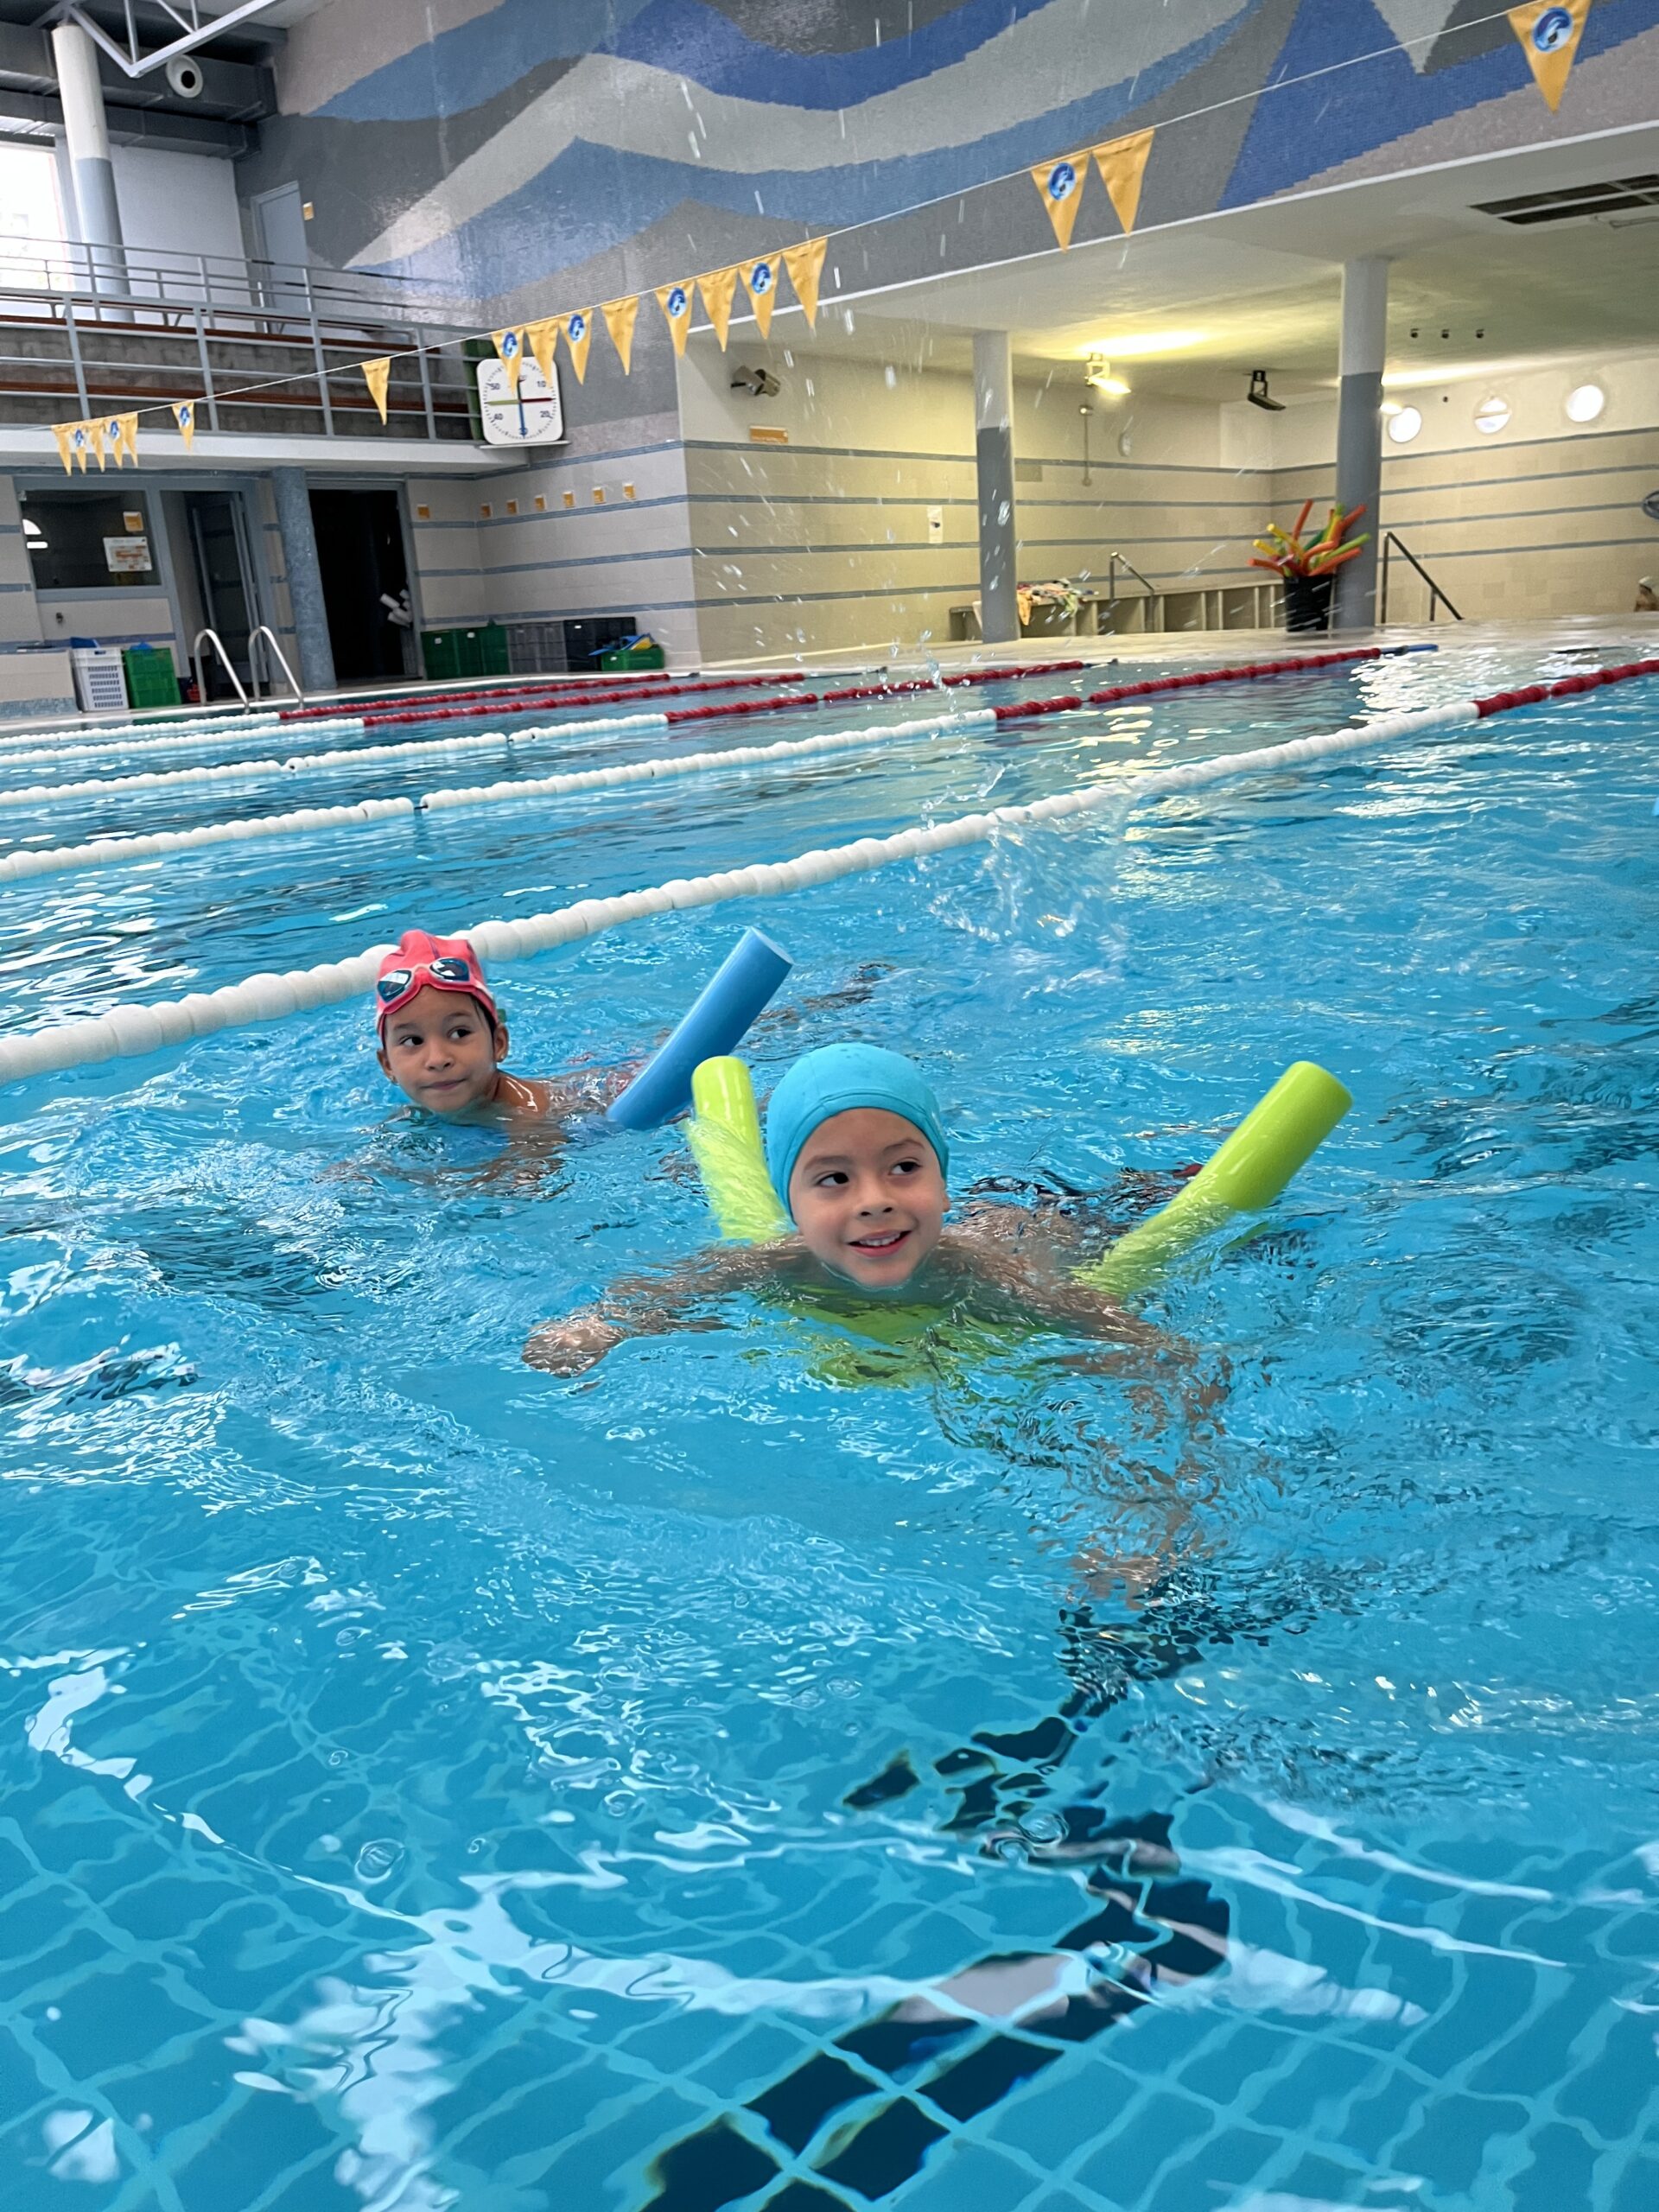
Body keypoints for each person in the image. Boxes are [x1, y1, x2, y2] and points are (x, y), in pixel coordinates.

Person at [524, 1042, 1182, 1374]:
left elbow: (1147, 1347)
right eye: (834, 1178)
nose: (875, 1201)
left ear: (942, 1185)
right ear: (791, 1205)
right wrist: (598, 1328)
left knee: (1125, 1203)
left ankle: (1160, 1178)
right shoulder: (776, 1264)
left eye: (905, 1168)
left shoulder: (985, 1277)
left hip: (1045, 1221)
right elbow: (666, 1292)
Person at [375, 930, 610, 1124]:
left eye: (459, 1033)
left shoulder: (526, 1113)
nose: (437, 1059)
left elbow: (535, 1165)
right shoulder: (416, 1114)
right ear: (388, 1065)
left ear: (498, 1043)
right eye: (413, 1041)